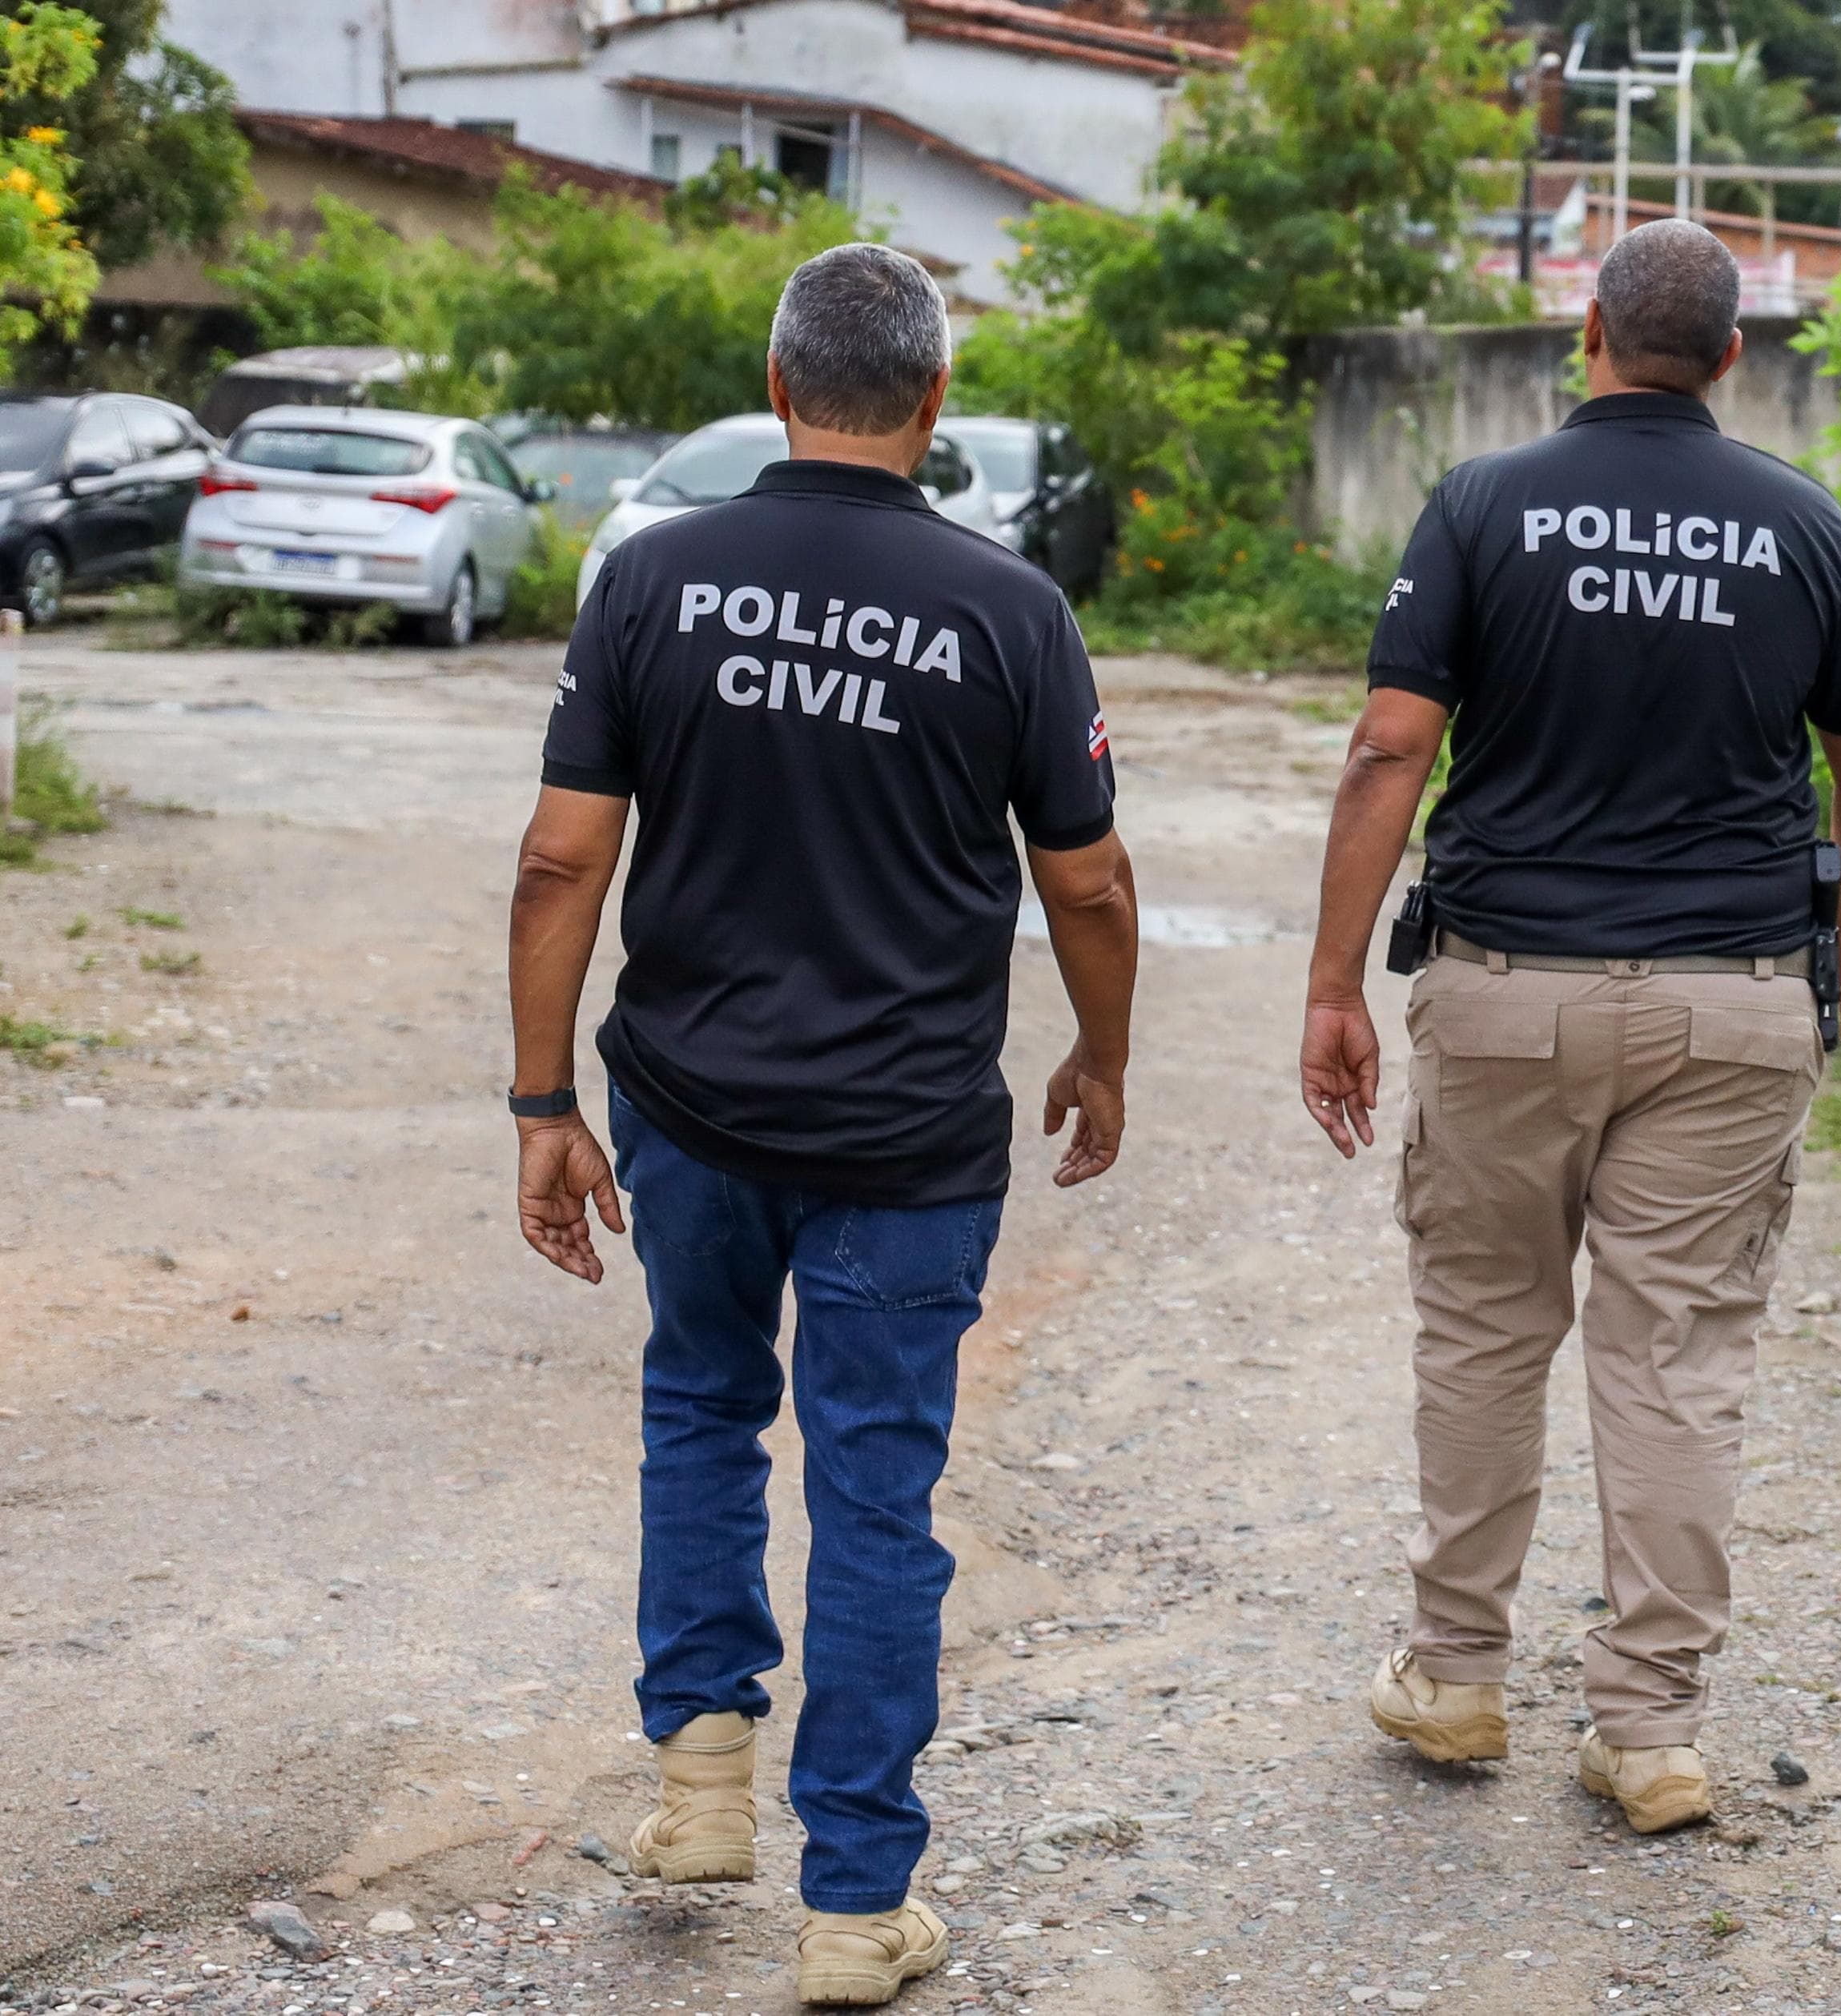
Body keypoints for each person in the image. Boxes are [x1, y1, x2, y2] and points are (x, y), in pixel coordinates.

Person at [505, 242, 1139, 2002]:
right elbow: (1081, 878)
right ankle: (855, 1905)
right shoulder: (1011, 610)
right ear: (932, 407)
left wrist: (543, 1098)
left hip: (688, 1108)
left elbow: (567, 852)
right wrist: (1103, 1050)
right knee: (878, 1484)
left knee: (702, 1404)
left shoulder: (652, 578)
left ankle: (700, 1783)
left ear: (777, 388)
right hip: (911, 1134)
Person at [1297, 219, 1841, 1833]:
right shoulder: (1799, 522)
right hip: (1730, 1006)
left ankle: (1452, 1675)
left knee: (1487, 1328)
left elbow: (1385, 748)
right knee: (1676, 1357)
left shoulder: (1482, 503)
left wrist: (1329, 980)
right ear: (1729, 357)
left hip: (1504, 994)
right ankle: (1647, 1728)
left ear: (1583, 333)